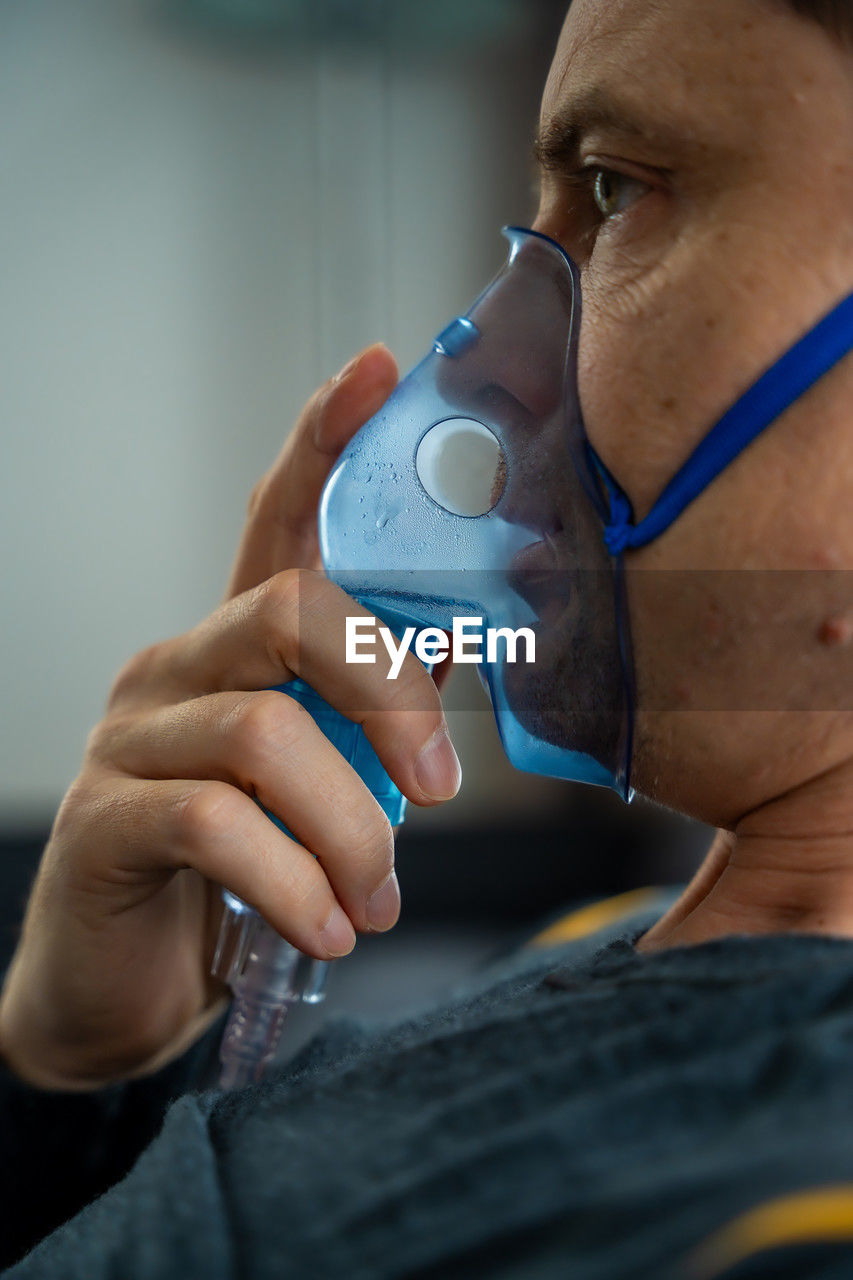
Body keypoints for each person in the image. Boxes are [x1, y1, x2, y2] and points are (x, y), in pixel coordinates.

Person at [1, 0, 851, 1274]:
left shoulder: (774, 1214)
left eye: (617, 191)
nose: (488, 369)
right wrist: (90, 1066)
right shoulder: (607, 941)